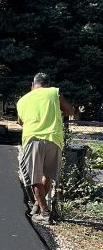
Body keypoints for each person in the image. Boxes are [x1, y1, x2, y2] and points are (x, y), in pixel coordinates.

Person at [16, 73, 75, 223]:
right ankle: (39, 205)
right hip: (54, 139)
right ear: (47, 84)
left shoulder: (22, 100)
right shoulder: (54, 92)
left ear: (32, 84)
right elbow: (70, 111)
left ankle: (45, 213)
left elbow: (21, 122)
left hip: (33, 139)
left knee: (35, 178)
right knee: (46, 175)